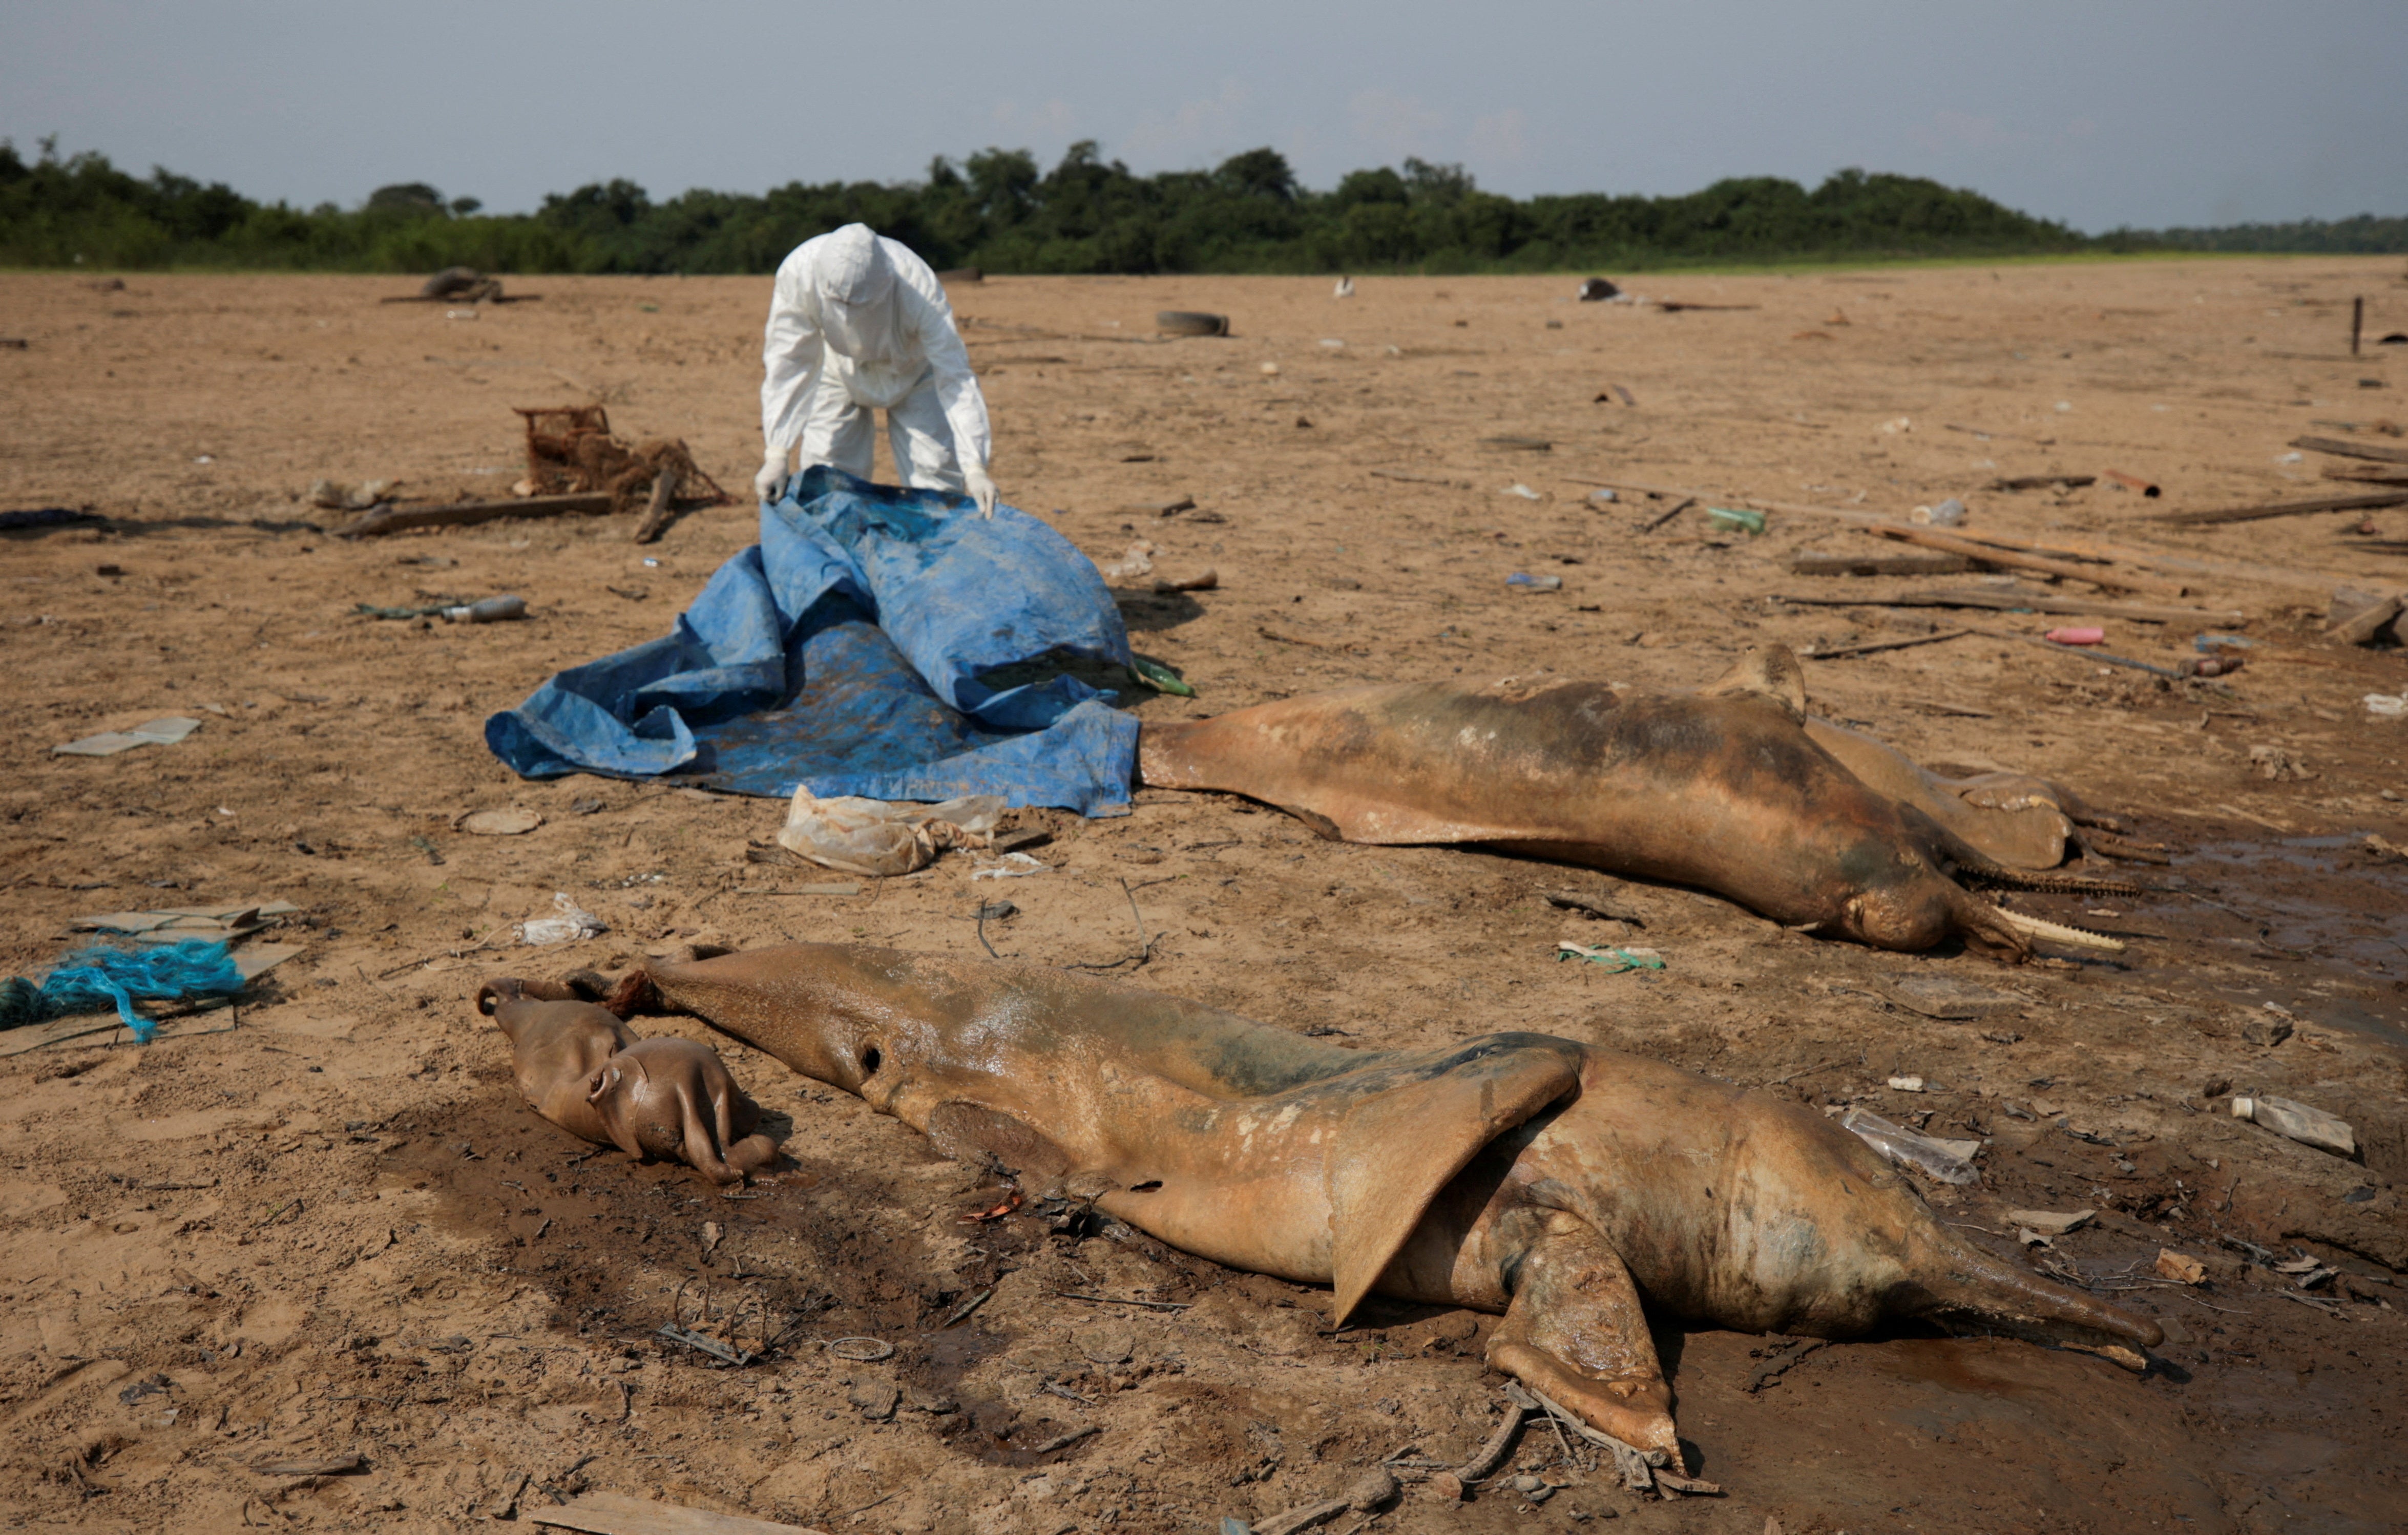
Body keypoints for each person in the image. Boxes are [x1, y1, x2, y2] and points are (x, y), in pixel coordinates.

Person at [753, 223, 999, 517]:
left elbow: (955, 376)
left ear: (886, 283)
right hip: (838, 368)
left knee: (936, 479)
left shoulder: (918, 287)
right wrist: (778, 452)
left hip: (914, 371)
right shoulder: (799, 272)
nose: (847, 316)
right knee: (830, 474)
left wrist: (975, 466)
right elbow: (790, 360)